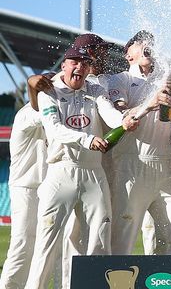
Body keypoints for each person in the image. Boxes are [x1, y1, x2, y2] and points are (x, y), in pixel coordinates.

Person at [26, 46, 139, 289]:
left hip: (93, 173)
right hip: (61, 172)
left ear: (89, 68)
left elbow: (108, 113)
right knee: (46, 243)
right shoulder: (49, 92)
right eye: (74, 61)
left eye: (85, 63)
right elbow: (54, 129)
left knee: (100, 240)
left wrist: (123, 121)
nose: (80, 66)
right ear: (64, 65)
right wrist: (86, 139)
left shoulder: (95, 90)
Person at [107, 30, 171, 255]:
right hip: (133, 164)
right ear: (128, 55)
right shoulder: (121, 79)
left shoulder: (164, 78)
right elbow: (120, 117)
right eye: (139, 42)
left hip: (167, 165)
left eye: (150, 42)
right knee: (123, 238)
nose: (147, 44)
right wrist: (150, 102)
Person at [0, 76, 51, 289]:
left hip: (51, 187)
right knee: (22, 245)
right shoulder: (28, 113)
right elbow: (40, 113)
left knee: (49, 248)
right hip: (26, 186)